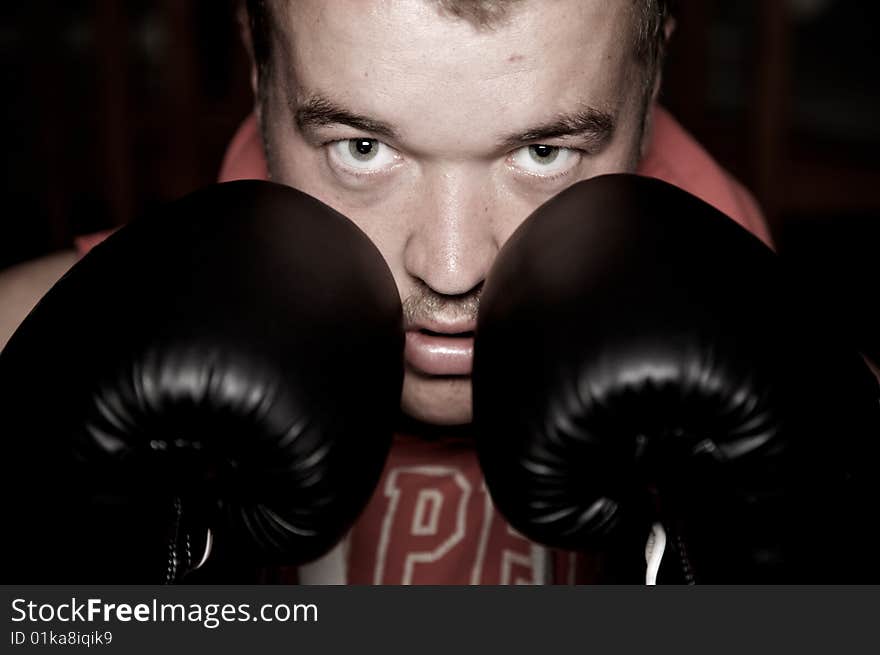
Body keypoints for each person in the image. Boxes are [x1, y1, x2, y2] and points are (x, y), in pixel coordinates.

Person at [0, 0, 775, 583]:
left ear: (652, 81)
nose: (449, 265)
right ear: (259, 67)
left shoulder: (772, 393)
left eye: (544, 151)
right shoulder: (128, 350)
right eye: (361, 148)